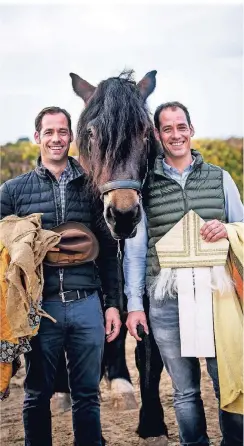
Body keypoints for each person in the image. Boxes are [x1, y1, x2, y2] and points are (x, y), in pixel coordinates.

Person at [0, 106, 121, 446]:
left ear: (72, 137)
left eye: (63, 132)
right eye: (49, 132)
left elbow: (110, 252)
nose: (56, 139)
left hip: (86, 305)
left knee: (87, 394)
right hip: (39, 310)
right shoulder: (13, 191)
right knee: (37, 395)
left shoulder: (94, 187)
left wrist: (112, 305)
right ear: (37, 137)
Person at [124, 101, 244, 446]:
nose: (175, 135)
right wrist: (134, 304)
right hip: (166, 300)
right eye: (167, 128)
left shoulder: (220, 177)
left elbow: (241, 224)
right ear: (157, 136)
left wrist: (228, 229)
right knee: (184, 390)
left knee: (229, 381)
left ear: (191, 130)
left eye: (181, 127)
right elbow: (134, 249)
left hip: (217, 294)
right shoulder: (143, 186)